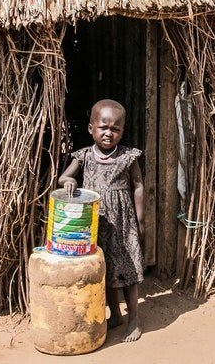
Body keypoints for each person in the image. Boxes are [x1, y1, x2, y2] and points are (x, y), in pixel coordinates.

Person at [59, 99, 145, 342]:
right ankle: (115, 314)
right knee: (103, 268)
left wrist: (141, 220)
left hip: (123, 223)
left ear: (122, 131)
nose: (109, 133)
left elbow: (138, 186)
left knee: (128, 271)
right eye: (103, 127)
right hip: (96, 223)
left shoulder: (128, 156)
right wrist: (69, 181)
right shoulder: (84, 156)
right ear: (91, 129)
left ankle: (134, 319)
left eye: (115, 129)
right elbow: (63, 177)